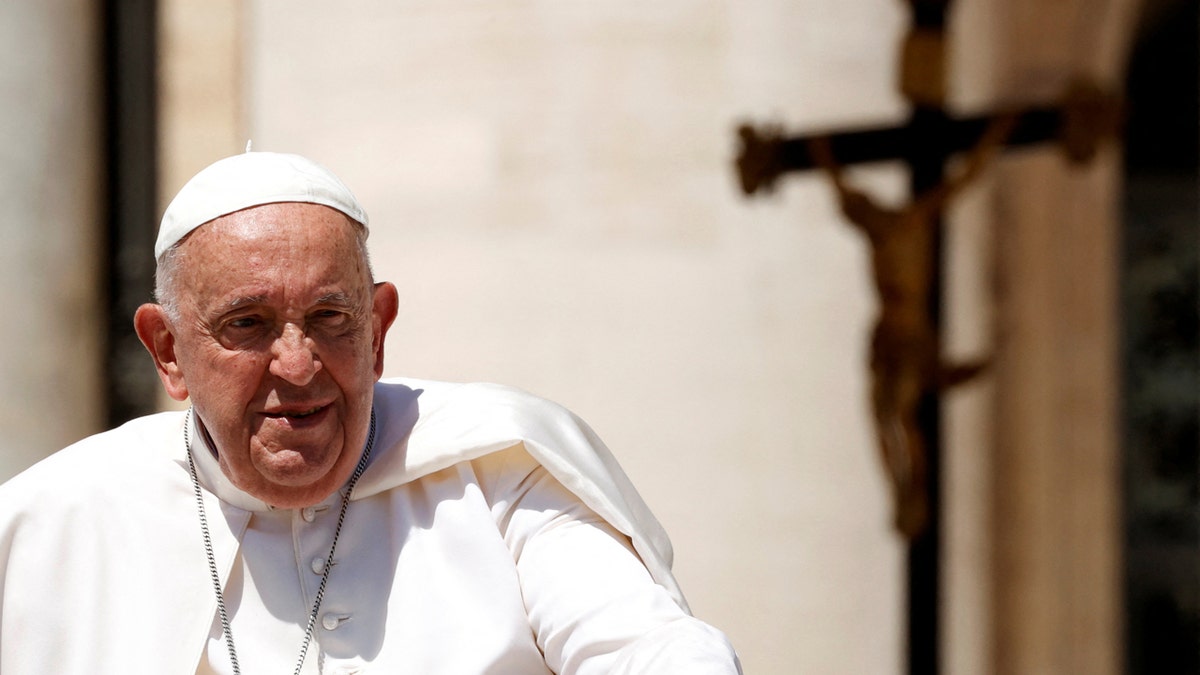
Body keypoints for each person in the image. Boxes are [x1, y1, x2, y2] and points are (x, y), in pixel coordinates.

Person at [0, 152, 742, 674]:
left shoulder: (502, 475)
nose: (297, 363)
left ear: (378, 328)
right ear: (168, 351)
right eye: (248, 324)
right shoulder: (50, 522)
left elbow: (645, 646)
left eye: (330, 316)